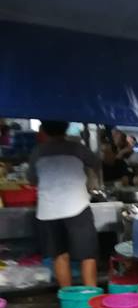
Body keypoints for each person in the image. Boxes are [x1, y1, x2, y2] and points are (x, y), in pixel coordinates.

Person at [27, 120, 101, 287]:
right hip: (77, 208)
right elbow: (96, 162)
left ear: (44, 130)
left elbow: (32, 180)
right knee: (87, 255)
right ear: (66, 128)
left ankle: (67, 298)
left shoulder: (37, 151)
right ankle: (90, 298)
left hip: (48, 211)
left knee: (59, 255)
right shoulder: (77, 148)